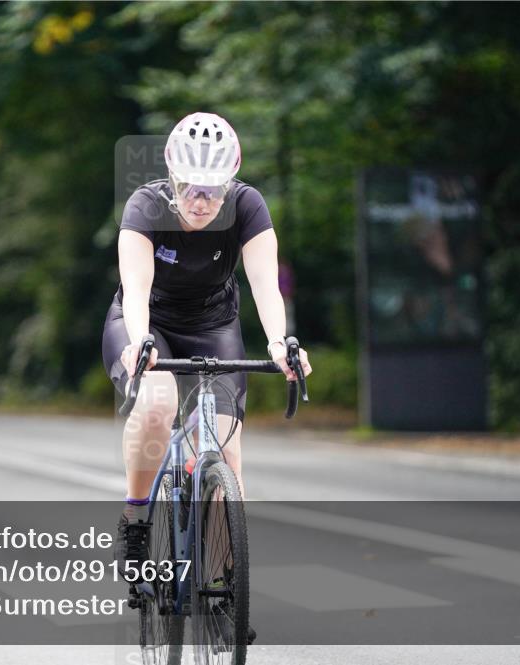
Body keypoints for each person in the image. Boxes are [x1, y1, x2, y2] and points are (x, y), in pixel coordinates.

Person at [103, 112, 312, 570]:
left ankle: (221, 585)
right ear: (172, 179)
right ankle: (135, 518)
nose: (201, 201)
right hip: (147, 321)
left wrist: (279, 342)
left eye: (214, 189)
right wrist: (140, 342)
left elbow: (264, 284)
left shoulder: (248, 205)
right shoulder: (145, 205)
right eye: (191, 188)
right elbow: (135, 287)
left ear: (230, 183)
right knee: (157, 406)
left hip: (213, 325)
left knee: (225, 449)